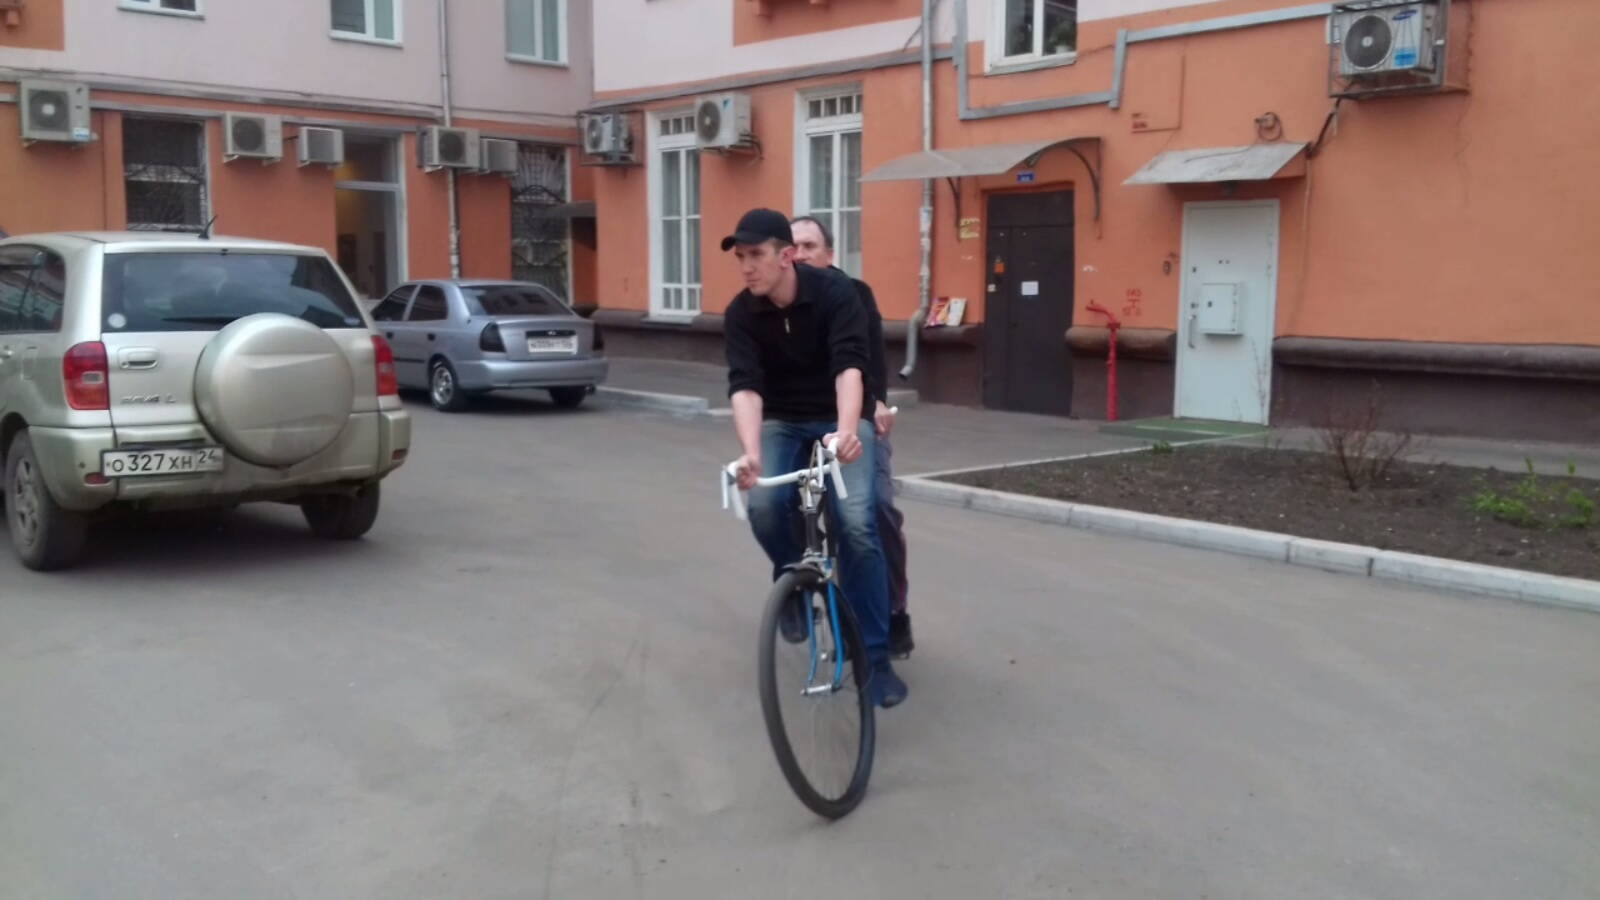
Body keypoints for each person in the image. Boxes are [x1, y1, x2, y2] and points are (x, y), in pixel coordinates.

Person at [721, 208, 908, 709]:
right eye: (740, 257)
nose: (747, 267)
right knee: (764, 507)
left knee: (858, 525)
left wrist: (847, 432)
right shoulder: (741, 313)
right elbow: (745, 387)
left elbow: (850, 366)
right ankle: (796, 582)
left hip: (837, 416)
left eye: (756, 255)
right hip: (782, 419)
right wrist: (751, 454)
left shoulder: (836, 294)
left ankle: (874, 658)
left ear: (785, 256)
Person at [788, 215, 914, 658]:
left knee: (875, 510)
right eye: (794, 247)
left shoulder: (855, 294)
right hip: (799, 422)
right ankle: (794, 594)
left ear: (829, 253)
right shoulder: (775, 302)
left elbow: (871, 357)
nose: (801, 255)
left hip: (854, 417)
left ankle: (893, 611)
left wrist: (876, 401)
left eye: (810, 246)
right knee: (782, 507)